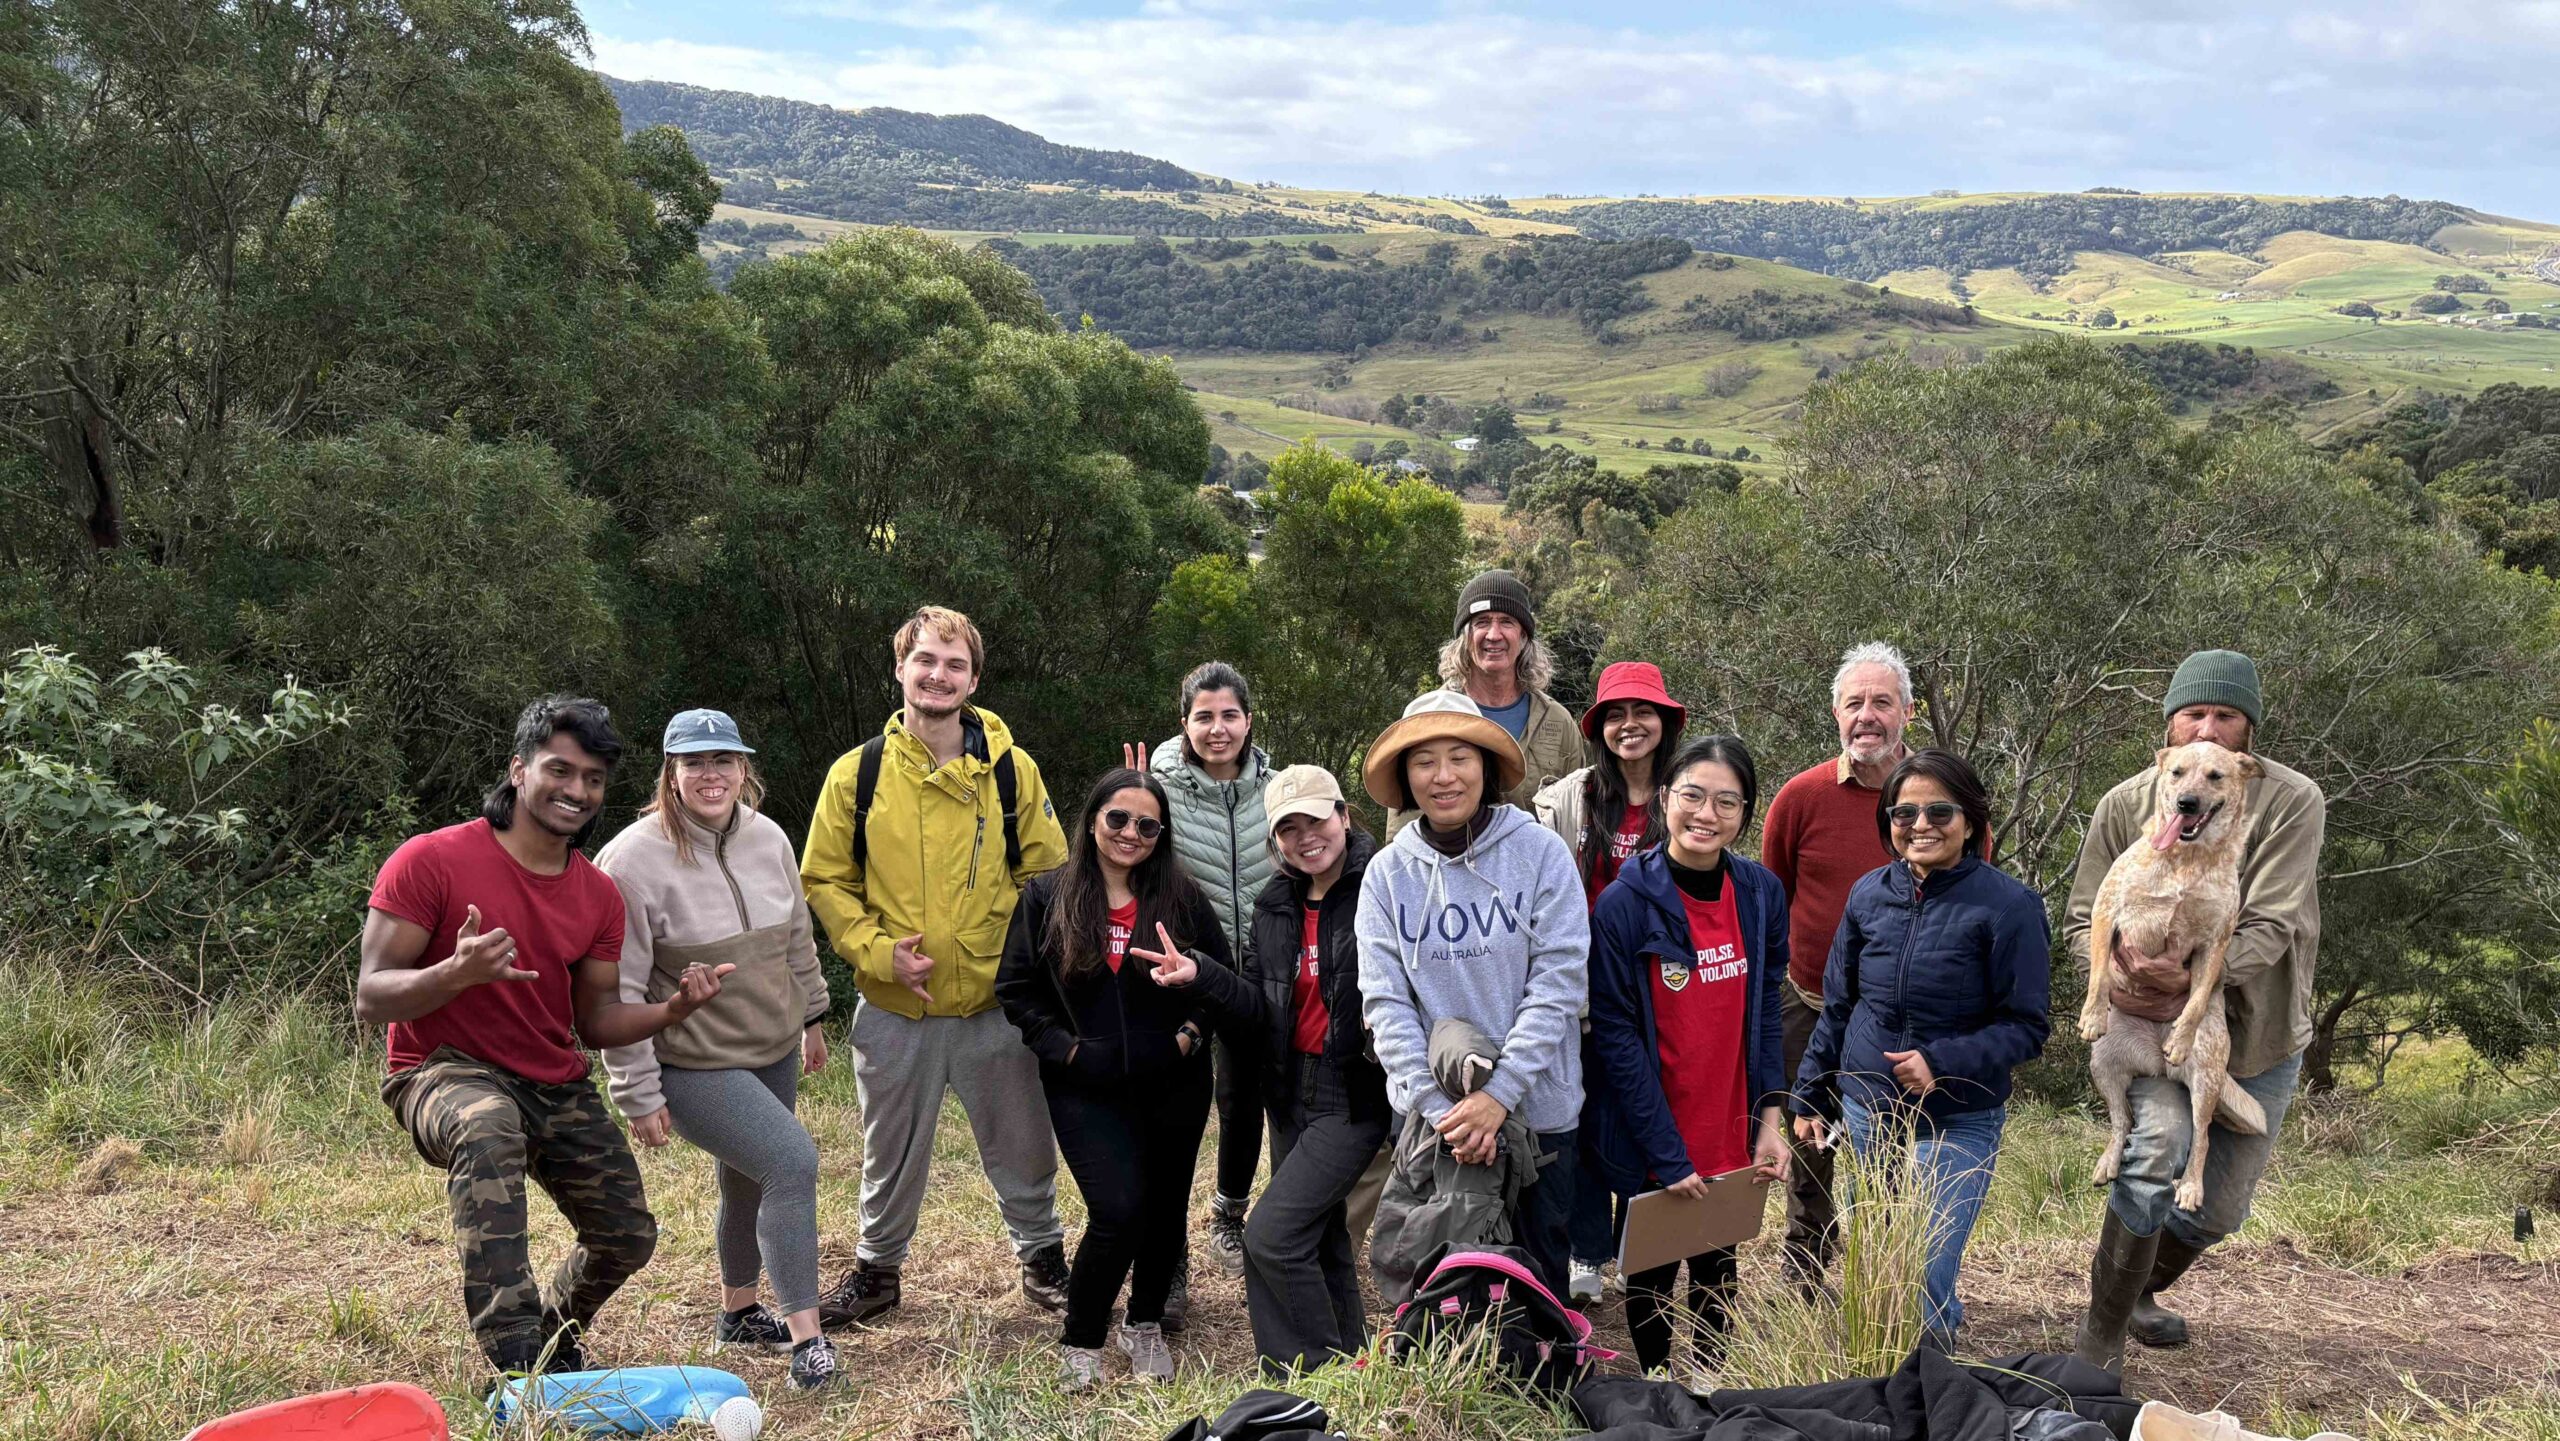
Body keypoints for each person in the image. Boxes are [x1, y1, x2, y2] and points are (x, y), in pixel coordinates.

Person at [357, 697, 719, 1378]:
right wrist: (454, 972)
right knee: (487, 1123)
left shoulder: (598, 895)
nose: (577, 790)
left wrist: (671, 1010)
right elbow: (370, 994)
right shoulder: (430, 859)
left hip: (551, 1080)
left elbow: (597, 1020)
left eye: (592, 778)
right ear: (518, 769)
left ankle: (555, 1339)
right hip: (441, 1069)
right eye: (561, 769)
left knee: (628, 1234)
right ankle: (517, 1358)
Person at [800, 606, 1072, 1327]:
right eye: (925, 659)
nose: (938, 674)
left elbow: (1050, 878)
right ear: (900, 668)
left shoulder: (1014, 773)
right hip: (896, 1007)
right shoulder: (856, 774)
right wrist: (876, 950)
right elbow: (824, 878)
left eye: (954, 664)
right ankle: (878, 1271)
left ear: (973, 679)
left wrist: (1016, 964)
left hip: (998, 1007)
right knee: (887, 1150)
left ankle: (1043, 1259)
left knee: (1023, 1142)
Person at [2065, 650, 2325, 1371]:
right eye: (2193, 714)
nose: (2207, 727)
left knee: (2217, 1207)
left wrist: (2188, 988)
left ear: (2248, 733)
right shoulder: (2126, 802)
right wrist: (2120, 978)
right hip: (2145, 1020)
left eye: (2226, 716)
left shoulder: (2291, 800)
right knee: (2155, 1154)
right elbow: (2083, 914)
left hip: (2258, 1029)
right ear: (2170, 728)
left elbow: (2271, 924)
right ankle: (2101, 1334)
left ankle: (2137, 1285)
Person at [596, 709, 840, 1391]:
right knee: (791, 1160)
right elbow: (615, 990)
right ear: (670, 773)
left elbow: (796, 937)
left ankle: (738, 1312)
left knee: (750, 1174)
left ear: (743, 768)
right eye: (695, 762)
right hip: (690, 1061)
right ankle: (808, 1342)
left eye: (724, 760)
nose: (712, 774)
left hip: (770, 1046)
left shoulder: (768, 838)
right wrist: (638, 1092)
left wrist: (812, 1015)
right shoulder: (630, 860)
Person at [994, 768, 1258, 1390]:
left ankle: (1143, 1323)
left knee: (1165, 1210)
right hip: (1086, 1083)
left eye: (1147, 824)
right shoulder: (1049, 895)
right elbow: (1016, 990)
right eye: (1118, 818)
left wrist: (1189, 1034)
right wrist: (1065, 1052)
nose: (1130, 833)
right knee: (1117, 1210)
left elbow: (1216, 981)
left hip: (1173, 1080)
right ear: (1092, 820)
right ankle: (1083, 1336)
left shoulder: (1182, 896)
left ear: (1161, 835)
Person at [1790, 749, 2050, 1347]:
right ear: (1887, 822)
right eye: (1904, 813)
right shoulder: (1866, 896)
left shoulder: (2009, 907)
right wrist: (1810, 1095)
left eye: (1939, 810)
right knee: (1880, 1263)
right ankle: (1883, 1375)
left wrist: (1942, 1061)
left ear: (1971, 820)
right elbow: (1838, 1006)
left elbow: (2027, 1025)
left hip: (1958, 1113)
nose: (1921, 824)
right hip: (1869, 1106)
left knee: (1924, 1269)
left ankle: (1930, 1381)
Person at [1356, 690, 1590, 1295]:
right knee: (1451, 1295)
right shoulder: (1387, 875)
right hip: (1439, 1127)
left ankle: (1549, 1388)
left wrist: (1501, 1094)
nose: (1443, 776)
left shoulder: (1540, 853)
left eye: (1460, 756)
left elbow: (1560, 978)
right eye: (1424, 760)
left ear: (1485, 765)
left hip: (1539, 1111)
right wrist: (1446, 1116)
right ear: (1405, 777)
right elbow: (1386, 1004)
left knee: (1540, 1285)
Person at [1586, 734, 1793, 1372]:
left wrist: (1769, 1121)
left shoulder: (1759, 894)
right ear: (1666, 799)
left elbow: (1765, 1011)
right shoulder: (1625, 903)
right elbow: (1615, 1035)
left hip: (1729, 1118)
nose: (1707, 815)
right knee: (1652, 1269)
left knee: (1717, 1267)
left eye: (1727, 803)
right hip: (1655, 1125)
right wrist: (1665, 1152)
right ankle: (1656, 1384)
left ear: (1745, 814)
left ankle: (1706, 1387)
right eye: (1693, 796)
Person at [1533, 659, 1688, 1306]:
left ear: (1664, 721)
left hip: (1663, 991)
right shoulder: (1574, 796)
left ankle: (1643, 1251)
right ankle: (1589, 1252)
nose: (1630, 725)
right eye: (1616, 714)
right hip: (1586, 991)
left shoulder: (1686, 791)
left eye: (1642, 711)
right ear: (1599, 726)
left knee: (1655, 1117)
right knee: (1589, 1121)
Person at [1759, 641, 1912, 1290]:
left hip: (1899, 1012)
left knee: (1887, 1145)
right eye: (1855, 703)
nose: (1867, 715)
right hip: (1808, 998)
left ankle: (1882, 1266)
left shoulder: (1936, 797)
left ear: (1907, 711)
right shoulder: (1799, 798)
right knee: (1808, 1139)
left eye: (1882, 701)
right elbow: (1773, 898)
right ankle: (1805, 1260)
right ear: (1835, 713)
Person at [1238, 765, 1393, 1376]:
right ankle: (1351, 1360)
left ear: (1345, 816)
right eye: (1289, 827)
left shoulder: (1381, 884)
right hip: (1289, 1089)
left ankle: (1302, 1373)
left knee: (1271, 1236)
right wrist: (1203, 978)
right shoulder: (1274, 902)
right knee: (1321, 1233)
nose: (1306, 837)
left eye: (1317, 819)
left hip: (1352, 1092)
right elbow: (1256, 996)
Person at [1145, 661, 1278, 1287]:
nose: (1218, 729)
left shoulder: (1276, 788)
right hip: (1187, 966)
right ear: (1185, 723)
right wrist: (1133, 787)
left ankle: (1229, 1211)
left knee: (1243, 1095)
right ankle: (1165, 1246)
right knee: (1177, 1101)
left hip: (1260, 972)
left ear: (1248, 721)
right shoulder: (1159, 790)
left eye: (1229, 716)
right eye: (1205, 717)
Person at [1388, 569, 1589, 833]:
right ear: (1465, 636)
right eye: (1482, 622)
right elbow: (1403, 829)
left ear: (1524, 636)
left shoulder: (1557, 722)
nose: (1494, 635)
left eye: (1507, 621)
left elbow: (1580, 817)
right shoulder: (1429, 718)